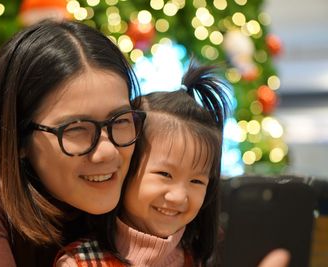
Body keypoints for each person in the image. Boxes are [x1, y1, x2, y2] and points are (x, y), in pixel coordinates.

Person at [0, 20, 146, 267]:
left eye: (119, 120)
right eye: (75, 129)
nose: (107, 151)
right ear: (16, 135)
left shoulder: (142, 159)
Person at [54, 63, 291, 267]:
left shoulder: (192, 259)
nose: (179, 196)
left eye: (197, 180)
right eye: (165, 174)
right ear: (126, 167)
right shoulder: (81, 262)